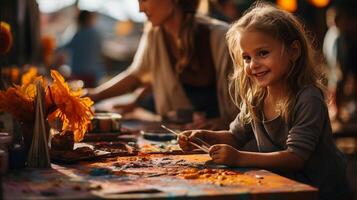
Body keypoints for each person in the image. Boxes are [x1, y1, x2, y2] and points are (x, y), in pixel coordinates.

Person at [178, 3, 351, 200]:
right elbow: (235, 136)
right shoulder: (256, 98)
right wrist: (204, 137)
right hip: (281, 188)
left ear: (294, 51)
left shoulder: (307, 98)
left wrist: (239, 157)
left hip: (320, 193)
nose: (253, 65)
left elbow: (295, 158)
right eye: (246, 57)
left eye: (263, 53)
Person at [87, 0, 237, 129]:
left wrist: (226, 123)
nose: (140, 9)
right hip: (181, 136)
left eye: (145, 0)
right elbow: (137, 74)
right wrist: (95, 95)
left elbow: (246, 101)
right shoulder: (155, 34)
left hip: (222, 144)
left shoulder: (221, 37)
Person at [59, 10, 105, 87]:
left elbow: (64, 46)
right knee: (91, 97)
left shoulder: (77, 33)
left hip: (78, 73)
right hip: (93, 73)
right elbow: (100, 51)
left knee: (78, 95)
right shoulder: (97, 34)